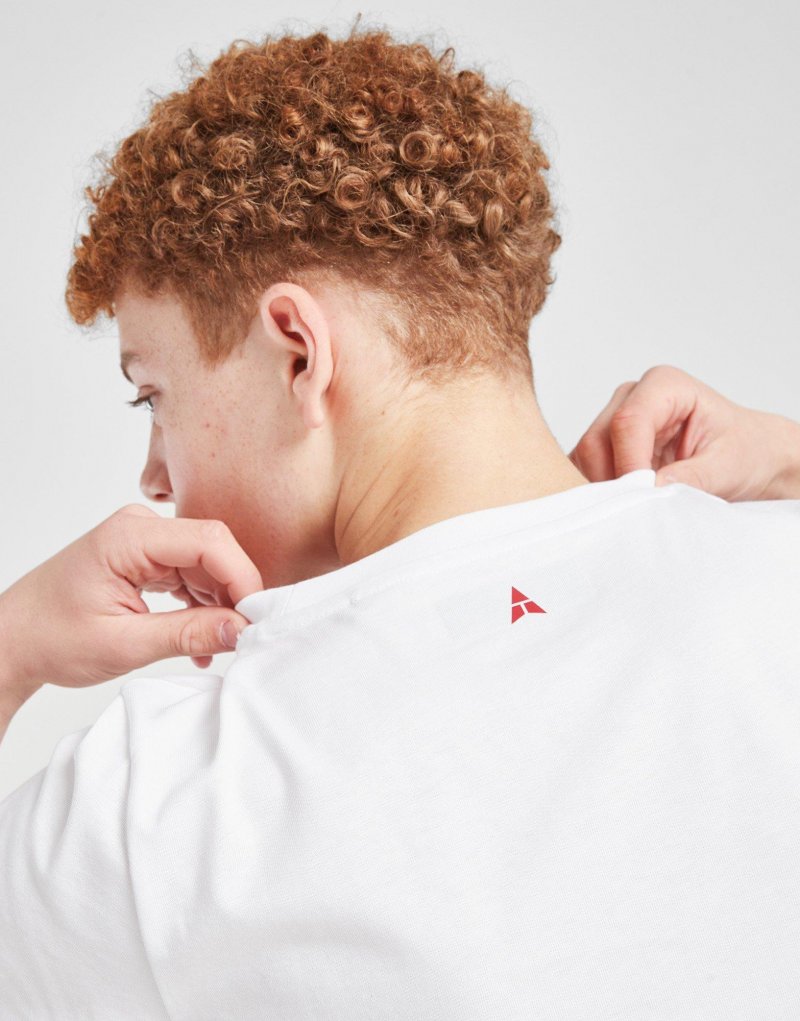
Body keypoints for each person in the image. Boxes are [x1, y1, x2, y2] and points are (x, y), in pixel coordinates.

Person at [1, 23, 799, 1020]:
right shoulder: (778, 578)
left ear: (297, 351)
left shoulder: (162, 807)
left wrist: (13, 641)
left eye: (153, 396)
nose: (154, 474)